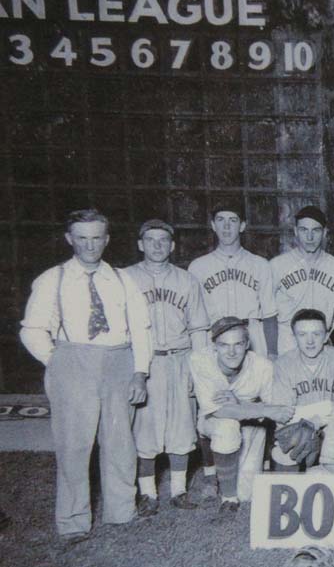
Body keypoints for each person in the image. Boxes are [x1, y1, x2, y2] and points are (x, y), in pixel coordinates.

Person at [20, 208, 152, 544]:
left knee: (120, 442)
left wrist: (140, 372)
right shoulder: (53, 279)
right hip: (73, 359)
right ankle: (74, 520)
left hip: (119, 360)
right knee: (74, 445)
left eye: (96, 238)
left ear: (107, 239)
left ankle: (122, 511)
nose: (90, 245)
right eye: (82, 238)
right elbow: (32, 329)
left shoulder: (123, 280)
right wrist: (59, 361)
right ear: (69, 239)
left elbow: (141, 329)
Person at [125, 219, 210, 513]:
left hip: (179, 358)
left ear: (173, 246)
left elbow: (199, 328)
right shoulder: (125, 278)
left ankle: (178, 490)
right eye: (151, 240)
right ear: (140, 244)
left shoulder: (186, 280)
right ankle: (148, 494)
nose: (157, 246)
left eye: (163, 240)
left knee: (181, 427)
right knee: (144, 430)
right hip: (144, 361)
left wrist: (197, 371)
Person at [189, 318, 294, 512]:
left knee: (248, 494)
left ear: (247, 344)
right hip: (213, 421)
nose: (231, 352)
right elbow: (218, 410)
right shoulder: (200, 360)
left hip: (252, 424)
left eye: (238, 344)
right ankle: (228, 498)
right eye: (224, 345)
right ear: (214, 347)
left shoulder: (262, 366)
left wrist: (241, 403)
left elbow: (276, 409)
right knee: (227, 426)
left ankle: (230, 483)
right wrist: (262, 409)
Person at [188, 203, 278, 357]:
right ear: (213, 225)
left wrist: (272, 352)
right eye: (221, 220)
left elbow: (269, 315)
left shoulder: (260, 264)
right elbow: (193, 318)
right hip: (213, 338)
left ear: (242, 226)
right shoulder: (197, 267)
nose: (226, 226)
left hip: (252, 337)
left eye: (233, 220)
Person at [270, 309, 334, 472]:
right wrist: (327, 407)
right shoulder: (283, 364)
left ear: (326, 335)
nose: (310, 341)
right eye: (302, 334)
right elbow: (283, 416)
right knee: (285, 452)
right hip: (297, 429)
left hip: (332, 429)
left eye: (316, 334)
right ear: (294, 336)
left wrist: (316, 420)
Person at [270, 206, 334, 354]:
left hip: (322, 342)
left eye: (316, 230)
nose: (310, 237)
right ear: (296, 231)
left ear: (324, 233)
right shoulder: (277, 265)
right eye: (304, 230)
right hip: (287, 342)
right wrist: (272, 351)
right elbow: (268, 314)